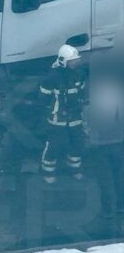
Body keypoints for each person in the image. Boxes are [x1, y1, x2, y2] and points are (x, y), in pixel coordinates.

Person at [86, 51, 124, 235]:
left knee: (106, 180)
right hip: (119, 141)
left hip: (102, 143)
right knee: (119, 176)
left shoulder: (100, 93)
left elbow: (95, 119)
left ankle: (109, 213)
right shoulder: (118, 91)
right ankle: (120, 209)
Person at [39, 44, 86, 183]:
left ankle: (75, 170)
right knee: (54, 144)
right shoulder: (51, 78)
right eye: (72, 60)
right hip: (57, 118)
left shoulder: (79, 75)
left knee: (77, 143)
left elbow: (81, 93)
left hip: (75, 117)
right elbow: (43, 99)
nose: (76, 62)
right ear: (63, 61)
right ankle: (47, 172)